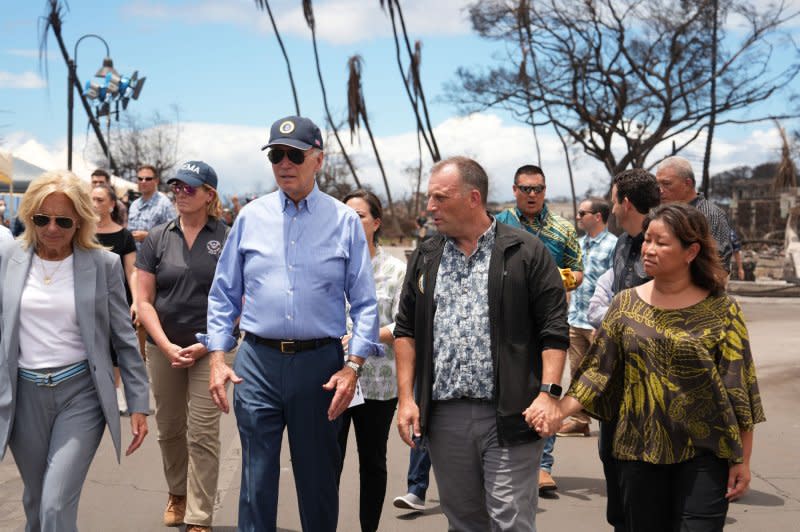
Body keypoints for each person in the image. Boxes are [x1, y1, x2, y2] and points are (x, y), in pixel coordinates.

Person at [203, 115, 381, 532]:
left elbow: (365, 303)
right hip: (256, 364)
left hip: (319, 366)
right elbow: (223, 294)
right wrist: (216, 357)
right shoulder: (250, 217)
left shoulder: (343, 221)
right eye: (276, 155)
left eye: (295, 155)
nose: (285, 163)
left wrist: (352, 367)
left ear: (318, 159)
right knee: (256, 480)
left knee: (318, 479)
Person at [542, 203, 765, 531]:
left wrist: (742, 460)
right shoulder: (625, 305)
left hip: (704, 454)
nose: (648, 249)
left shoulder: (722, 309)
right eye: (647, 240)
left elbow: (739, 386)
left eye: (661, 242)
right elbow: (596, 372)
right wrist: (557, 411)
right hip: (637, 452)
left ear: (691, 251)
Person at [394, 156, 569, 532]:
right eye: (430, 197)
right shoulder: (426, 256)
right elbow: (405, 330)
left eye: (440, 198)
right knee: (464, 521)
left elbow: (554, 330)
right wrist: (407, 398)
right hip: (445, 416)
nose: (430, 207)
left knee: (510, 520)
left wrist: (548, 393)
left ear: (473, 198)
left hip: (510, 413)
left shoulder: (526, 252)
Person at [0, 171, 149, 531]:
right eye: (41, 218)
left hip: (80, 395)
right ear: (30, 216)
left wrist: (139, 402)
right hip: (23, 397)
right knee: (36, 504)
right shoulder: (9, 259)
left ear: (80, 221)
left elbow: (123, 339)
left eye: (63, 220)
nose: (51, 228)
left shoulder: (104, 265)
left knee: (55, 504)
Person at [136, 161, 233, 532]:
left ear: (209, 194)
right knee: (170, 427)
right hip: (164, 348)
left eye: (189, 188)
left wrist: (208, 344)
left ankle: (198, 515)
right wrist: (163, 344)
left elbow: (242, 298)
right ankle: (177, 492)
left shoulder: (228, 236)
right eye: (176, 186)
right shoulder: (158, 237)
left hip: (214, 349)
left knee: (203, 431)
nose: (180, 193)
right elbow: (144, 300)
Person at [495, 164, 582, 493]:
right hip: (505, 322)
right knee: (506, 391)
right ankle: (507, 459)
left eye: (539, 189)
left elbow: (579, 271)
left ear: (545, 191)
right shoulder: (498, 225)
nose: (532, 195)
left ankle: (543, 465)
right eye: (526, 188)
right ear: (514, 190)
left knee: (547, 390)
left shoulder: (562, 228)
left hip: (548, 322)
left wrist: (562, 278)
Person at [596, 168, 661, 531]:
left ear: (627, 202)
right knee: (611, 459)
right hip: (615, 380)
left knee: (644, 477)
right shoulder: (622, 243)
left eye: (613, 197)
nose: (611, 206)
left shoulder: (665, 244)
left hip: (653, 385)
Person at [337, 189, 406, 532]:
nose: (351, 221)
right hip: (332, 380)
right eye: (346, 215)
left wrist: (365, 338)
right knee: (327, 462)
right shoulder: (330, 264)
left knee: (372, 462)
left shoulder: (395, 270)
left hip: (378, 384)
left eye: (360, 216)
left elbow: (404, 324)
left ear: (376, 222)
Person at [558, 197, 617, 437]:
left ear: (598, 216)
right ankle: (580, 420)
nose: (578, 217)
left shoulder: (615, 245)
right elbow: (572, 279)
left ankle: (612, 422)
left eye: (583, 213)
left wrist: (604, 322)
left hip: (598, 323)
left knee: (606, 375)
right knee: (577, 373)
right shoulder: (578, 244)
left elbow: (617, 285)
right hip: (576, 319)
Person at [92, 183, 138, 413]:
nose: (95, 204)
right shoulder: (81, 233)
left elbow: (131, 271)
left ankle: (116, 390)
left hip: (118, 299)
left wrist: (137, 300)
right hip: (89, 300)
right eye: (92, 199)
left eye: (100, 200)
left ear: (112, 204)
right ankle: (97, 391)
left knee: (116, 348)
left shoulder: (124, 236)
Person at [656, 156, 732, 271]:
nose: (660, 190)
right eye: (658, 185)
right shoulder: (663, 214)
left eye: (666, 184)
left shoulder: (710, 214)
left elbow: (720, 263)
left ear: (687, 183)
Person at [127, 164, 176, 248]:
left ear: (156, 181)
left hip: (156, 258)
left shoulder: (165, 204)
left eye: (148, 179)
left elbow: (174, 235)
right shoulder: (134, 205)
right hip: (134, 257)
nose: (143, 181)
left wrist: (148, 236)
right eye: (140, 179)